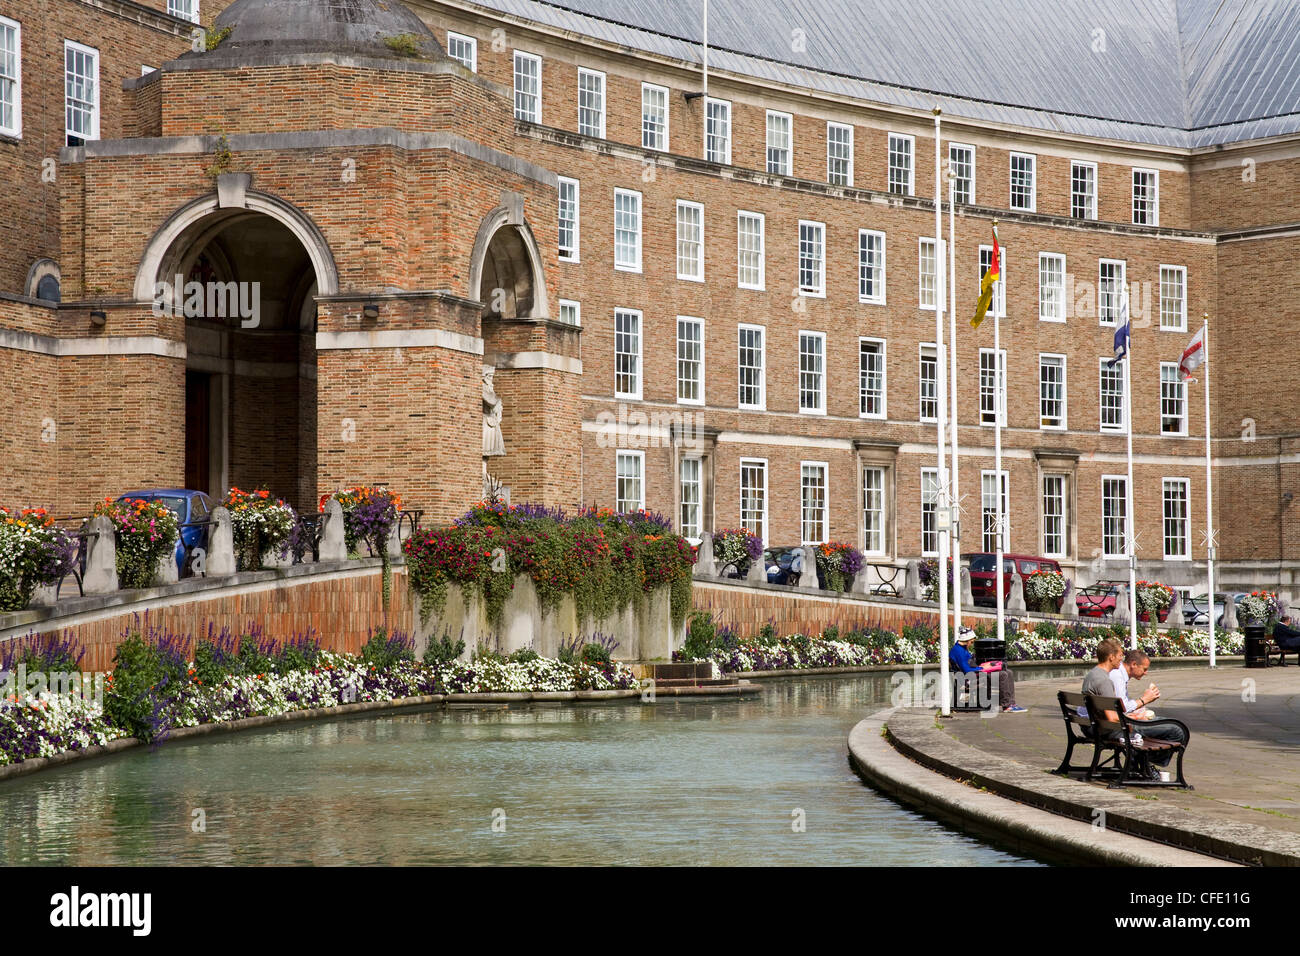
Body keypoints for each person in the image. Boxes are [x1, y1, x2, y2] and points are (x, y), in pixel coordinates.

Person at [1111, 649, 1188, 778]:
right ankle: (1143, 761)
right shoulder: (1117, 676)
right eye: (1144, 669)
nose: (1146, 673)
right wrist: (1144, 700)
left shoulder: (1118, 675)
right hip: (1121, 726)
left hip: (1118, 722)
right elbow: (1121, 708)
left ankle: (1140, 761)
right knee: (1178, 730)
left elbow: (1120, 706)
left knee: (1165, 723)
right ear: (1134, 664)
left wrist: (1138, 711)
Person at [950, 626, 1025, 713]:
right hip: (968, 679)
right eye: (971, 641)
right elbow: (967, 670)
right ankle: (1007, 705)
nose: (972, 643)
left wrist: (986, 666)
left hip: (974, 674)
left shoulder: (962, 649)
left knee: (1009, 672)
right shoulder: (958, 651)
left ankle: (1011, 703)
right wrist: (983, 668)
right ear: (966, 640)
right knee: (1002, 675)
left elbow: (970, 665)